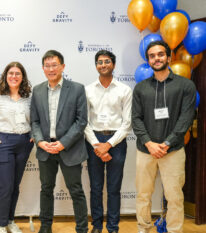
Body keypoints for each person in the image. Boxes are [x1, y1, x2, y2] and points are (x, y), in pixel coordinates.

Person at [132, 40, 196, 233]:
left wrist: (167, 143)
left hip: (173, 151)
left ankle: (174, 230)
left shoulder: (185, 86)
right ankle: (143, 228)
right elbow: (136, 119)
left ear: (168, 58)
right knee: (143, 194)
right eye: (152, 56)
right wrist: (149, 143)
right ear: (148, 60)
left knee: (175, 196)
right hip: (145, 151)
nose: (156, 58)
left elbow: (185, 119)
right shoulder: (141, 88)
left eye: (160, 54)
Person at [31, 50, 88, 233]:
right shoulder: (38, 90)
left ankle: (82, 228)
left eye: (54, 65)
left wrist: (63, 143)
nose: (51, 69)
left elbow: (81, 121)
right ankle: (45, 227)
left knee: (76, 190)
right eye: (47, 66)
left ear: (62, 67)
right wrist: (40, 142)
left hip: (69, 149)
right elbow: (34, 121)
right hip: (46, 149)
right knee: (46, 189)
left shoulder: (77, 89)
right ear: (43, 68)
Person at [84, 50, 132, 233]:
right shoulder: (87, 90)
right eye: (99, 62)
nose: (103, 65)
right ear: (96, 65)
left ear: (113, 64)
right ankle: (96, 226)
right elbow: (84, 122)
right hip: (93, 140)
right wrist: (97, 145)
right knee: (95, 188)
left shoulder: (124, 90)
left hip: (117, 142)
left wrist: (109, 144)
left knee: (114, 188)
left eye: (107, 61)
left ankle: (113, 227)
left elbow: (127, 123)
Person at [0, 62, 34, 233]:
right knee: (5, 186)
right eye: (11, 73)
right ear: (6, 76)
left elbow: (34, 119)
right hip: (2, 142)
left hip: (24, 143)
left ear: (23, 77)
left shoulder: (28, 96)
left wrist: (34, 134)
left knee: (14, 185)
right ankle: (0, 224)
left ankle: (10, 221)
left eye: (18, 73)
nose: (14, 76)